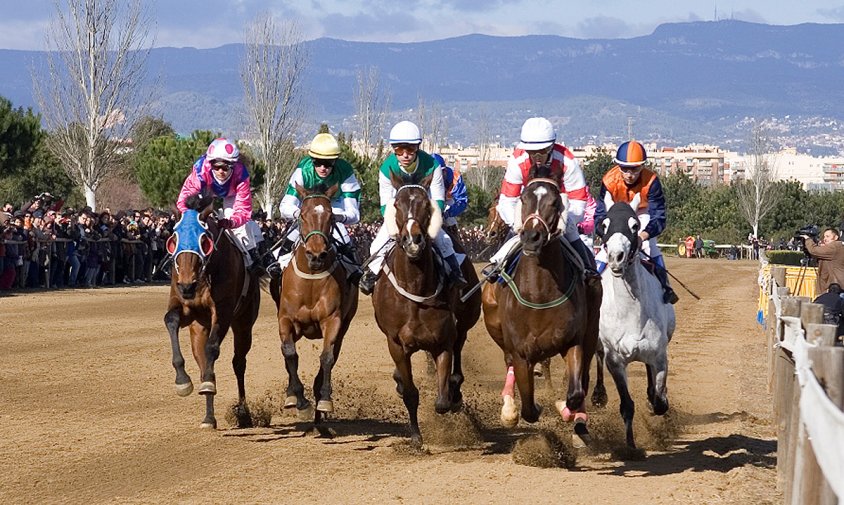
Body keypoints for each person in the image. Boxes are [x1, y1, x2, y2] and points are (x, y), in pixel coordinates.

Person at [358, 120, 467, 295]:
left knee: (444, 240)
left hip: (424, 211)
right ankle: (371, 275)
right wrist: (397, 227)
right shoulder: (387, 169)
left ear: (417, 147)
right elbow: (386, 205)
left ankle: (455, 272)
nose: (405, 155)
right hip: (399, 212)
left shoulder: (432, 165)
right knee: (378, 243)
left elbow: (438, 201)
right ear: (394, 149)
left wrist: (429, 226)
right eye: (399, 150)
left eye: (410, 149)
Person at [488, 117, 597, 276]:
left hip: (560, 208)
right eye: (532, 152)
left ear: (552, 147)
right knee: (513, 237)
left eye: (543, 151)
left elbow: (578, 203)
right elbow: (507, 201)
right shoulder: (517, 161)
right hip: (528, 208)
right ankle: (496, 268)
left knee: (572, 233)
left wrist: (559, 224)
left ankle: (589, 272)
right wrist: (521, 225)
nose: (537, 156)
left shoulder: (568, 161)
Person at [595, 140, 679, 304]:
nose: (629, 174)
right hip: (616, 213)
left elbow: (658, 216)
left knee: (649, 246)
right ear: (618, 166)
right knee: (604, 252)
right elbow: (600, 215)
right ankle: (590, 286)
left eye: (634, 168)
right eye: (624, 168)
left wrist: (642, 237)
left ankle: (665, 287)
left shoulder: (652, 181)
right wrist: (605, 235)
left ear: (642, 166)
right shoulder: (608, 181)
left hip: (642, 212)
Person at [275, 132, 362, 277]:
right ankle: (277, 265)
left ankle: (354, 272)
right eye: (318, 162)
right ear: (312, 160)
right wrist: (300, 214)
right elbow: (285, 206)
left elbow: (354, 214)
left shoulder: (345, 171)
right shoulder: (303, 169)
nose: (323, 168)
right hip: (308, 209)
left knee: (344, 239)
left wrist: (337, 217)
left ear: (335, 161)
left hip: (334, 207)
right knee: (293, 234)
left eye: (328, 164)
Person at [176, 137, 265, 273]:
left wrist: (231, 223)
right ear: (210, 164)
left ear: (233, 165)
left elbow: (243, 209)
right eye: (216, 167)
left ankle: (252, 256)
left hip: (232, 194)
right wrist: (191, 217)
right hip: (206, 192)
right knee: (191, 223)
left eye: (225, 167)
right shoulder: (201, 170)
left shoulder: (241, 174)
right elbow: (184, 200)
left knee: (237, 223)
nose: (220, 171)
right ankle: (175, 257)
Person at [431, 153, 468, 236]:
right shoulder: (422, 176)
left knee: (450, 220)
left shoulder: (455, 177)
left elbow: (462, 201)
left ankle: (455, 242)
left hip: (447, 203)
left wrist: (448, 213)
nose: (437, 176)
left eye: (440, 172)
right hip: (429, 203)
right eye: (433, 173)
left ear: (445, 171)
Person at [800, 227, 844, 297]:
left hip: (837, 289)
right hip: (835, 287)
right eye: (824, 237)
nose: (825, 239)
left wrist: (807, 239)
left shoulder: (835, 246)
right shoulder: (838, 246)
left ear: (836, 237)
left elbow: (814, 250)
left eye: (828, 236)